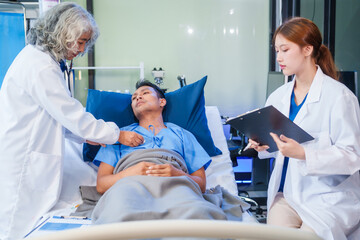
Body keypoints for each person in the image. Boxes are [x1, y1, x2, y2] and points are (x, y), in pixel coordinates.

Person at [0, 3, 143, 240]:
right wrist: (116, 135)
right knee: (15, 223)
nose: (82, 49)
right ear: (62, 34)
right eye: (80, 41)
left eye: (87, 43)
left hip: (32, 151)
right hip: (22, 157)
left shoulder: (45, 61)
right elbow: (71, 114)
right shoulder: (39, 66)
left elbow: (56, 118)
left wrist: (86, 136)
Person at [248, 17, 360, 240]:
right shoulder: (278, 97)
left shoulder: (339, 97)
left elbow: (352, 156)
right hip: (286, 194)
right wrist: (263, 144)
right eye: (276, 50)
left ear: (308, 49)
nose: (279, 58)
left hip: (329, 197)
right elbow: (278, 144)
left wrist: (304, 154)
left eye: (285, 50)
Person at [90, 80, 231, 223]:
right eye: (134, 97)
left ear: (162, 102)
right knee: (119, 211)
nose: (138, 97)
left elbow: (201, 185)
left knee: (197, 213)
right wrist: (130, 173)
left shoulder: (183, 135)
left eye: (145, 93)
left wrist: (178, 174)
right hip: (129, 186)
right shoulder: (118, 135)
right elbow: (102, 185)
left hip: (176, 185)